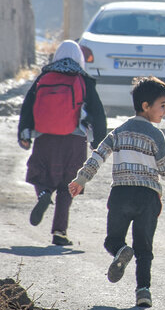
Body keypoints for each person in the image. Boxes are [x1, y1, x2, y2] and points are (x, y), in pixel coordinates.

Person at [68, 76, 165, 308]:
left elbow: (98, 155)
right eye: (162, 106)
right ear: (146, 106)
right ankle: (143, 292)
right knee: (144, 248)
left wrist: (82, 179)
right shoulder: (156, 135)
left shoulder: (119, 131)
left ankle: (121, 251)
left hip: (121, 195)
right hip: (148, 198)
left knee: (112, 240)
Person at [17, 40, 107, 247]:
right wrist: (99, 142)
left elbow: (28, 106)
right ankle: (60, 232)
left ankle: (43, 193)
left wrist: (24, 134)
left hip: (44, 137)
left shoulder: (44, 77)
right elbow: (98, 113)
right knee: (68, 186)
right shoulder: (83, 80)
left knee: (40, 173)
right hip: (74, 140)